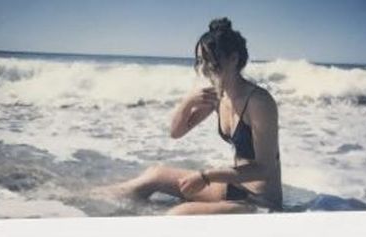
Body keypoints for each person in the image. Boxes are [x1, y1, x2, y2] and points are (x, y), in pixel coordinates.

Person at [109, 18, 282, 214]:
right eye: (201, 60)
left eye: (211, 60)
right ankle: (89, 201)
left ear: (234, 59)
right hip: (235, 188)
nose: (204, 68)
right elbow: (176, 132)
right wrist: (188, 102)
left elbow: (264, 169)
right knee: (154, 175)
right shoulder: (219, 96)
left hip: (261, 201)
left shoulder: (259, 102)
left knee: (178, 214)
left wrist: (206, 176)